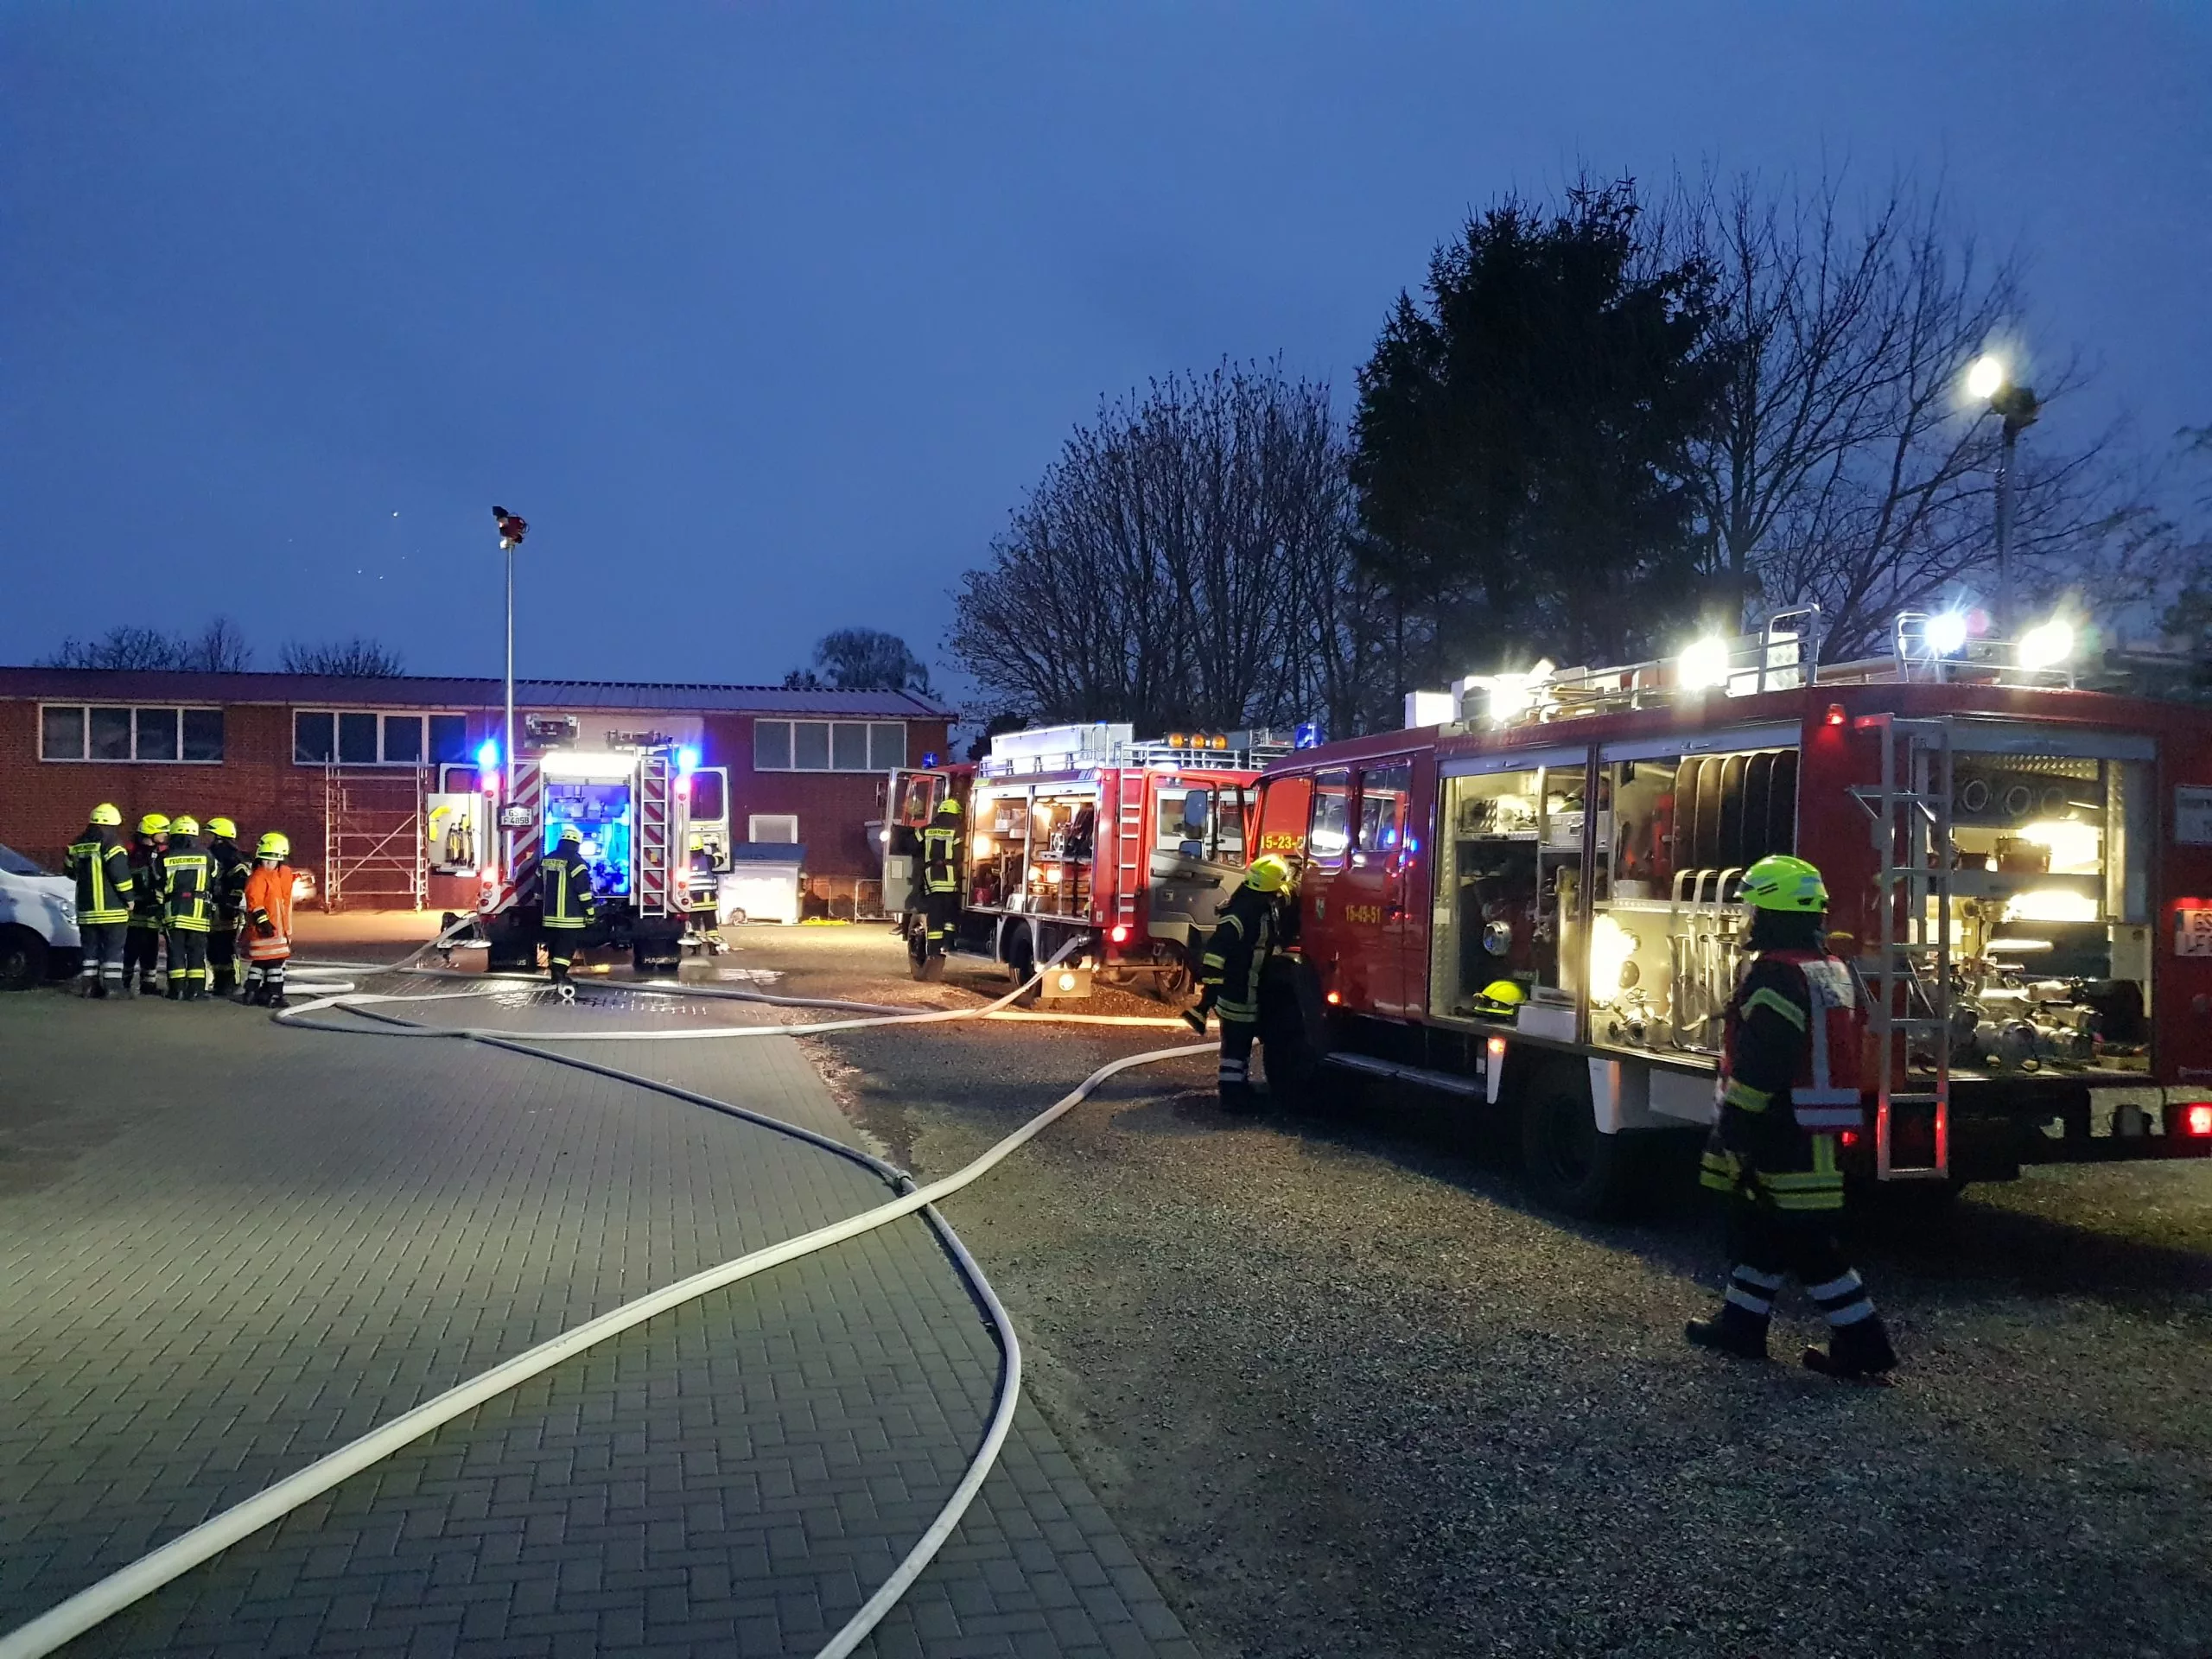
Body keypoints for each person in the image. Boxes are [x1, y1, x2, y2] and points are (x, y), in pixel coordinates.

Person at [1687, 854, 1899, 1382]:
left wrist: (1737, 1125)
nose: (1746, 920)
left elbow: (1764, 1064)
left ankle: (1864, 1342)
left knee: (1809, 1244)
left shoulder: (1775, 977)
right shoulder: (1830, 968)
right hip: (1816, 1126)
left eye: (1753, 910)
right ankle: (1741, 1326)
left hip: (1780, 1130)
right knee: (1762, 1229)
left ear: (1774, 915)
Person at [1191, 853, 1296, 1111]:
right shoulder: (1241, 913)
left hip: (1246, 988)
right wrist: (1212, 988)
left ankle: (1238, 1088)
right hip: (1237, 990)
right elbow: (1216, 953)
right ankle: (1231, 1096)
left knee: (1241, 1042)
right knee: (1236, 1044)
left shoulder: (1258, 905)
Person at [64, 804, 134, 998]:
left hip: (86, 910)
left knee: (90, 952)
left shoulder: (77, 844)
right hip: (112, 910)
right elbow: (120, 876)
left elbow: (69, 872)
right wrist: (129, 899)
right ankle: (113, 989)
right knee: (113, 950)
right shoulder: (112, 845)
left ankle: (89, 987)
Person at [158, 814, 217, 1001]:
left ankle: (177, 990)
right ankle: (197, 991)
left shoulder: (164, 857)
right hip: (199, 911)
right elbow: (215, 879)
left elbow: (156, 883)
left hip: (173, 911)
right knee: (196, 952)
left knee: (175, 952)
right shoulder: (207, 856)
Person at [538, 823, 599, 996]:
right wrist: (590, 914)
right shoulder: (577, 863)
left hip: (548, 917)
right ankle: (560, 976)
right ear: (577, 844)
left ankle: (555, 976)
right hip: (570, 918)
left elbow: (537, 889)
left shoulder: (546, 859)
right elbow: (584, 893)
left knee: (554, 946)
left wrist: (540, 909)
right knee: (565, 949)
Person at [241, 832, 297, 1007]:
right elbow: (254, 902)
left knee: (261, 962)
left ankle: (251, 993)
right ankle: (274, 995)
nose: (269, 863)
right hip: (267, 930)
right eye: (266, 860)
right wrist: (263, 921)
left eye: (272, 860)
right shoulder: (260, 878)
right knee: (274, 964)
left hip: (274, 930)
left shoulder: (274, 876)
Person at [204, 816, 251, 997]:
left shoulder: (232, 857)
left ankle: (231, 983)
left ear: (220, 837)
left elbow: (240, 881)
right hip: (214, 909)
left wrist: (231, 903)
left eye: (210, 835)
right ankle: (220, 983)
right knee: (214, 948)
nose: (206, 838)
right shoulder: (213, 854)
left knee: (227, 948)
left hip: (227, 911)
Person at [124, 812, 169, 995]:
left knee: (150, 950)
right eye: (163, 832)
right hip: (135, 913)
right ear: (151, 833)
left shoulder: (158, 854)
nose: (166, 836)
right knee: (131, 949)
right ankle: (124, 982)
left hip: (152, 913)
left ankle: (148, 984)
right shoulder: (133, 854)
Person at [917, 797, 963, 963]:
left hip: (932, 879)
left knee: (935, 917)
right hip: (950, 880)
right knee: (950, 916)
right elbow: (960, 855)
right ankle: (948, 944)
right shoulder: (957, 831)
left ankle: (934, 952)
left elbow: (911, 842)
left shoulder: (927, 830)